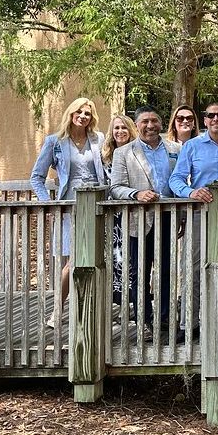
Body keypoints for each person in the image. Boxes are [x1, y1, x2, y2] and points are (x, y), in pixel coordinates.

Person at [169, 102, 218, 339]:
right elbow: (176, 179)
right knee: (193, 267)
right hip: (200, 213)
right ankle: (188, 323)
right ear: (204, 120)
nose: (215, 119)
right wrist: (191, 192)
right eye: (210, 115)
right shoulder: (192, 146)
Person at [30, 97, 106, 325]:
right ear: (71, 114)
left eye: (87, 113)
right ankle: (57, 310)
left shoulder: (98, 139)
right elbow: (36, 177)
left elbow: (108, 168)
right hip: (68, 207)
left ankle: (88, 310)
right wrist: (48, 204)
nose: (83, 116)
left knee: (95, 260)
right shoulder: (54, 141)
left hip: (97, 203)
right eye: (79, 112)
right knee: (72, 261)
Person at [109, 107, 182, 330]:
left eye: (154, 121)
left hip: (169, 217)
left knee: (167, 270)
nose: (150, 126)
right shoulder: (124, 153)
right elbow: (116, 187)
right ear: (137, 125)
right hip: (139, 220)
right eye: (145, 121)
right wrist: (136, 194)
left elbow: (181, 181)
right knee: (139, 271)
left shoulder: (176, 149)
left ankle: (165, 317)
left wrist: (182, 216)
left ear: (161, 123)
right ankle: (144, 319)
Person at [101, 114, 138, 313]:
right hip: (110, 215)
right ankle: (117, 302)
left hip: (131, 212)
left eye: (124, 128)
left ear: (131, 131)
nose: (120, 131)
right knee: (114, 258)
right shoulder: (105, 155)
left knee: (130, 257)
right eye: (116, 128)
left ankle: (132, 302)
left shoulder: (136, 153)